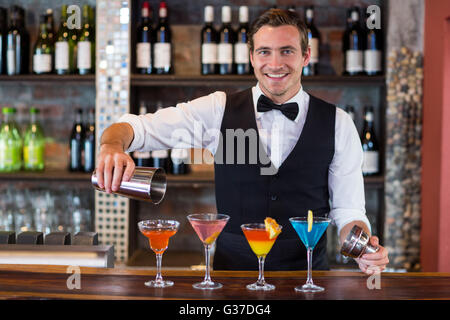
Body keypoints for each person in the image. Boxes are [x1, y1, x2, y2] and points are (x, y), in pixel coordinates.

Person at [96, 9, 389, 273]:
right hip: (232, 278)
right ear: (251, 57)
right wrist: (111, 146)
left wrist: (362, 247)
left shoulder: (338, 123)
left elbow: (348, 210)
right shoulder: (217, 109)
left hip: (308, 278)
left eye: (287, 51)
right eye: (264, 52)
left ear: (306, 56)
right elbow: (139, 128)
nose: (275, 63)